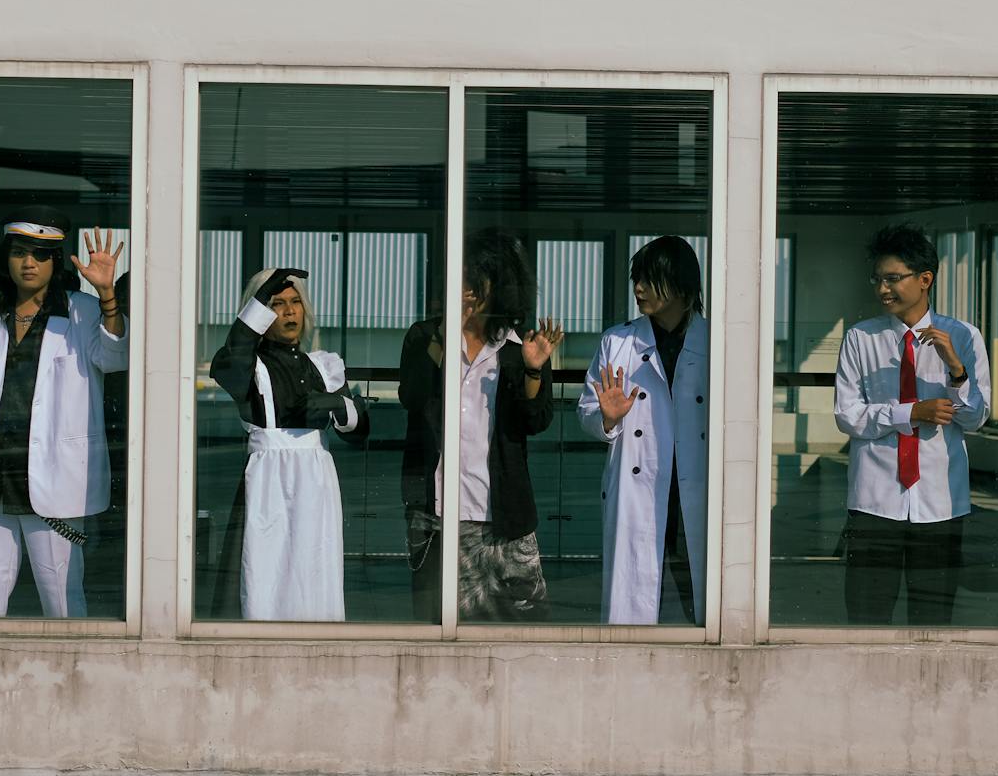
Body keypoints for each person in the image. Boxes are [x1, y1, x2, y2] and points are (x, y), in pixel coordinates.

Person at [0, 207, 127, 618]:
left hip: (55, 481)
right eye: (20, 252)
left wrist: (108, 295)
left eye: (41, 255)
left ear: (55, 261)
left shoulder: (81, 310)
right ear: (5, 257)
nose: (29, 263)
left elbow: (116, 357)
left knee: (62, 600)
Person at [833, 224, 991, 625]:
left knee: (933, 621)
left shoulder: (963, 336)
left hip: (940, 503)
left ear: (925, 280)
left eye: (892, 279)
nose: (882, 289)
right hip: (874, 503)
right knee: (866, 620)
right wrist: (910, 413)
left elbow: (975, 418)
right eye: (878, 279)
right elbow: (847, 415)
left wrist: (956, 371)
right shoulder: (860, 339)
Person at [400, 229, 561, 622]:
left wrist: (532, 370)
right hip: (436, 514)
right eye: (460, 276)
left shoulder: (517, 347)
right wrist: (443, 336)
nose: (464, 287)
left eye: (473, 278)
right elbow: (414, 398)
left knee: (524, 627)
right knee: (438, 626)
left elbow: (535, 420)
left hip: (504, 517)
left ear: (498, 286)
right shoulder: (425, 336)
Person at [210, 266, 368, 621]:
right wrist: (258, 300)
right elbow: (233, 364)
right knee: (265, 570)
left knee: (315, 567)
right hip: (269, 481)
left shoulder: (323, 366)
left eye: (295, 301)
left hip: (316, 479)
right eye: (276, 303)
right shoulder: (248, 366)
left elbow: (358, 432)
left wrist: (338, 405)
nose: (289, 310)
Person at [580, 235, 711, 626]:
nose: (638, 288)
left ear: (683, 286)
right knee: (636, 598)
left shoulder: (714, 340)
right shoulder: (618, 341)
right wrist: (607, 418)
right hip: (641, 485)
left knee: (699, 596)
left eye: (649, 279)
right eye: (637, 278)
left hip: (694, 484)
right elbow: (587, 410)